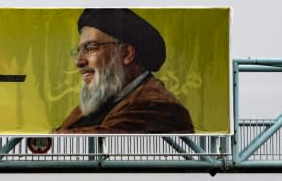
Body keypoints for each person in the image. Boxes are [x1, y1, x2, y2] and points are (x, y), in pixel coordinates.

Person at [55, 8, 194, 134]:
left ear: (127, 54)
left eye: (90, 48)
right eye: (79, 50)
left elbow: (98, 146)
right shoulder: (103, 100)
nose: (78, 61)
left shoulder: (158, 107)